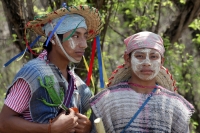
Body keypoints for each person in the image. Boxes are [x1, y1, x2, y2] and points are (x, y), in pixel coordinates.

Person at [0, 3, 102, 133]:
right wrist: (50, 129)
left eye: (85, 36)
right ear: (54, 38)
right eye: (76, 36)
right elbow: (3, 123)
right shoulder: (34, 73)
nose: (84, 45)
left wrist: (87, 127)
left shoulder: (79, 85)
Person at [90, 31, 195, 133]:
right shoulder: (105, 102)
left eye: (153, 56)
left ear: (161, 61)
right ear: (127, 59)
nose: (147, 63)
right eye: (139, 56)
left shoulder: (176, 107)